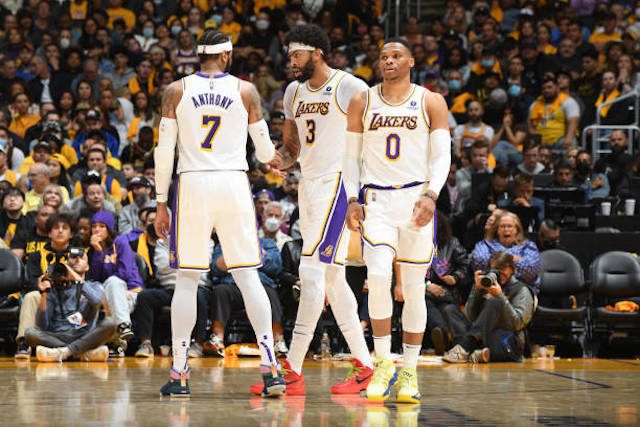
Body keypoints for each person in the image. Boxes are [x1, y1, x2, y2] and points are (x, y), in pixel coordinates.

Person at [153, 29, 284, 398]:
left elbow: (163, 153)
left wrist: (161, 202)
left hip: (192, 183)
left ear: (199, 56)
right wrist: (280, 157)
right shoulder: (246, 90)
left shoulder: (175, 90)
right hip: (233, 183)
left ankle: (179, 374)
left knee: (187, 280)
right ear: (227, 55)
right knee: (248, 277)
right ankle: (272, 369)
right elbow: (264, 153)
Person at [250, 24, 376, 397]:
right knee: (333, 279)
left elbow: (372, 138)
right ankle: (365, 366)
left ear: (317, 52)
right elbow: (293, 149)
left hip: (339, 186)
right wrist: (277, 159)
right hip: (309, 186)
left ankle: (292, 368)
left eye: (297, 54)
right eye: (290, 55)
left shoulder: (349, 86)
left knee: (311, 273)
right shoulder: (293, 92)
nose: (291, 61)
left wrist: (362, 191)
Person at [344, 38, 451, 402]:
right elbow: (350, 158)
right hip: (376, 200)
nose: (389, 61)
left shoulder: (430, 101)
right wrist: (352, 198)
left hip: (416, 199)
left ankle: (409, 371)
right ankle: (382, 363)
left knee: (415, 288)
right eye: (384, 56)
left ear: (411, 61)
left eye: (396, 56)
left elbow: (442, 157)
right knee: (377, 277)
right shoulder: (363, 100)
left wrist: (432, 195)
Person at [24, 249, 117, 362]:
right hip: (58, 335)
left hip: (84, 333)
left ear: (87, 266)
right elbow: (42, 326)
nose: (77, 260)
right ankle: (82, 353)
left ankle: (63, 352)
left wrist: (77, 278)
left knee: (110, 323)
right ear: (67, 264)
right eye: (73, 258)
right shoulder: (53, 290)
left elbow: (96, 301)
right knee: (30, 333)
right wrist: (44, 295)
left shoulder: (94, 286)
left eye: (81, 258)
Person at [442, 252, 535, 363]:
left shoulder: (521, 290)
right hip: (481, 335)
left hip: (505, 337)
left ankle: (465, 348)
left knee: (495, 301)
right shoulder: (486, 284)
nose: (500, 273)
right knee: (450, 309)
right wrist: (477, 290)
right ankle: (469, 351)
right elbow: (469, 316)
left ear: (512, 269)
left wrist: (500, 296)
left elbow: (518, 323)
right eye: (496, 269)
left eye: (503, 268)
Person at [471, 211, 541, 292]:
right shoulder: (485, 244)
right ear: (497, 230)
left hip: (522, 290)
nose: (506, 229)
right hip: (490, 290)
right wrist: (511, 259)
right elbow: (479, 262)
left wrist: (496, 261)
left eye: (510, 226)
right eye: (502, 226)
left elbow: (530, 270)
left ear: (517, 230)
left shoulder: (528, 246)